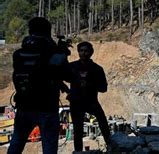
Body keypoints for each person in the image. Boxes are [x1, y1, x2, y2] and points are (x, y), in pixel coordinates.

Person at [8, 17, 70, 154]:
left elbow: (40, 73)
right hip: (47, 107)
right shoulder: (53, 53)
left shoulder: (18, 54)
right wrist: (63, 54)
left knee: (16, 144)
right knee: (49, 147)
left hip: (24, 106)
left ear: (30, 31)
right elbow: (67, 75)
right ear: (48, 31)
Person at [67, 41, 110, 152]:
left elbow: (104, 88)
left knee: (103, 123)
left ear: (91, 52)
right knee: (77, 130)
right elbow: (58, 76)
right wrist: (67, 91)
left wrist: (91, 84)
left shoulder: (97, 69)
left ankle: (110, 145)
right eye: (81, 50)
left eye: (86, 51)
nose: (83, 53)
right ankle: (78, 151)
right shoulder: (71, 67)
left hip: (91, 101)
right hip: (76, 102)